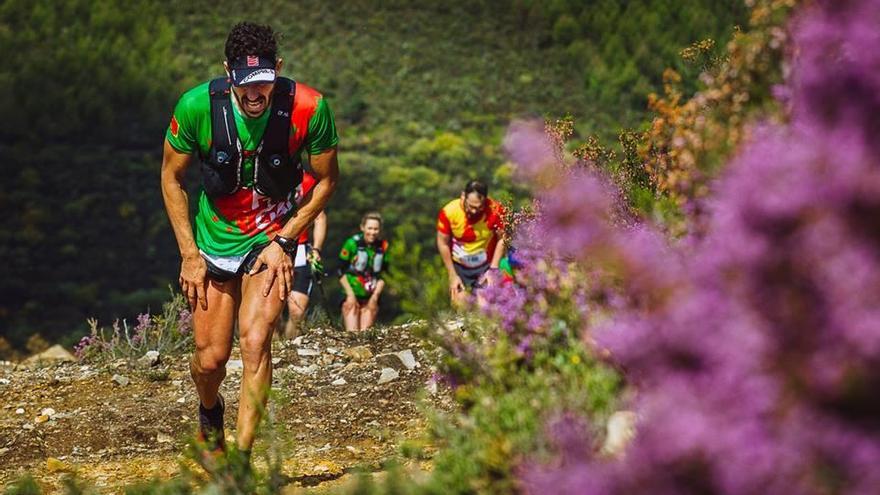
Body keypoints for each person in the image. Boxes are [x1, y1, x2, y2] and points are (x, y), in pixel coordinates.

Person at [160, 22, 339, 460]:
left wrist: (286, 238)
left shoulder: (309, 108)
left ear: (278, 69)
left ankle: (240, 460)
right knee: (211, 360)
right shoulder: (198, 106)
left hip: (271, 238)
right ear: (227, 72)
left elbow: (326, 181)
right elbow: (171, 177)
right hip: (214, 240)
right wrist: (188, 254)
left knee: (256, 341)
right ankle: (209, 412)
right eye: (245, 84)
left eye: (264, 83)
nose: (255, 95)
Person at [436, 180, 506, 306]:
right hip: (460, 267)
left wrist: (494, 269)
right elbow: (442, 243)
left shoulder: (495, 210)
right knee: (461, 305)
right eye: (471, 206)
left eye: (479, 207)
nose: (474, 211)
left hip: (485, 265)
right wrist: (452, 274)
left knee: (485, 305)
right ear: (463, 196)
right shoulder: (449, 212)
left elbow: (503, 238)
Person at [283, 170, 327, 340]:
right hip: (271, 248)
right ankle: (271, 350)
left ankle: (289, 346)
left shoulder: (308, 180)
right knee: (271, 310)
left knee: (297, 309)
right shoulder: (266, 173)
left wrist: (316, 249)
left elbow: (320, 217)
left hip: (300, 248)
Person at [338, 212, 388, 331]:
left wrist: (375, 297)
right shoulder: (352, 243)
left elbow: (385, 275)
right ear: (362, 227)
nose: (372, 232)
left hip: (370, 296)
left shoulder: (383, 246)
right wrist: (350, 295)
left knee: (366, 335)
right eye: (369, 228)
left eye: (376, 229)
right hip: (352, 294)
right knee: (353, 334)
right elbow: (340, 271)